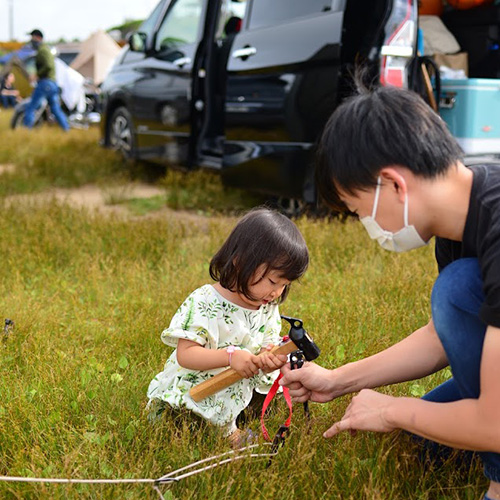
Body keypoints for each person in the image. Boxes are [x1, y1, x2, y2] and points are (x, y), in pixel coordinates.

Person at [279, 85, 500, 500]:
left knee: (456, 289)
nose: (366, 224)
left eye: (359, 209)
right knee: (427, 444)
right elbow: (441, 337)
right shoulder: (462, 220)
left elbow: (496, 425)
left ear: (392, 184)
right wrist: (334, 382)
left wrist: (391, 409)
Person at [147, 207, 309, 446]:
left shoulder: (267, 307)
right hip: (199, 386)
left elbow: (268, 345)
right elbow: (186, 355)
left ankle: (232, 419)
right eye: (274, 280)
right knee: (185, 425)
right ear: (240, 261)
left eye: (285, 285)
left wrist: (268, 359)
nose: (277, 292)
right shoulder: (205, 302)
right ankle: (219, 429)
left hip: (237, 386)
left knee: (268, 394)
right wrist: (231, 356)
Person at [23, 29, 69, 131]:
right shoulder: (46, 49)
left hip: (45, 83)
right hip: (51, 83)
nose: (31, 40)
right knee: (55, 109)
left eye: (33, 37)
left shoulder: (42, 50)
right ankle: (66, 129)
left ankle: (26, 130)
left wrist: (37, 75)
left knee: (31, 107)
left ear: (38, 38)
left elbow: (48, 66)